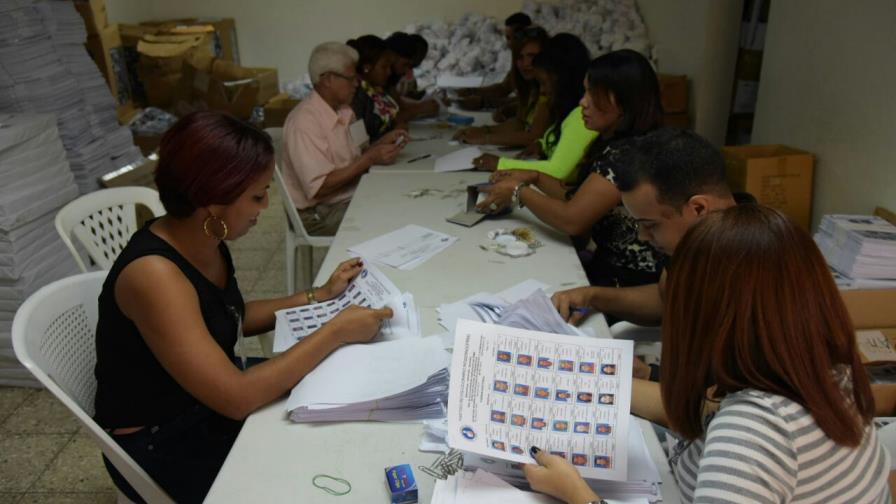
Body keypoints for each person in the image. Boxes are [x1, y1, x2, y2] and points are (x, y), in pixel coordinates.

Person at [93, 111, 394, 503]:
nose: (265, 206)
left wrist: (319, 295)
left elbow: (227, 316)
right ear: (211, 201)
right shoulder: (155, 276)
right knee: (315, 473)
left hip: (202, 401)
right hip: (162, 439)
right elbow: (236, 398)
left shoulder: (203, 239)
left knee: (345, 409)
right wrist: (335, 330)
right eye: (257, 195)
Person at [525, 205, 891, 503]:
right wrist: (582, 377)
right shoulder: (824, 370)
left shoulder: (753, 431)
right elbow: (695, 410)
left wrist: (577, 494)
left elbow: (733, 432)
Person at [478, 49, 665, 288]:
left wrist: (519, 190)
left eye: (591, 94)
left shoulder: (626, 155)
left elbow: (572, 219)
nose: (582, 103)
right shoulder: (623, 143)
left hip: (626, 280)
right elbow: (580, 197)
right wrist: (534, 177)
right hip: (612, 266)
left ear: (620, 100)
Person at [549, 128, 738, 329]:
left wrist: (643, 363)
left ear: (698, 208)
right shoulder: (693, 239)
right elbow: (665, 299)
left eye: (650, 225)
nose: (643, 236)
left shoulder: (750, 267)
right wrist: (592, 295)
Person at [282, 41, 407, 236]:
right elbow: (319, 188)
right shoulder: (304, 122)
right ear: (327, 79)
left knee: (404, 198)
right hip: (318, 213)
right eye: (350, 78)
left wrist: (381, 144)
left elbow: (358, 154)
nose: (357, 84)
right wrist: (369, 159)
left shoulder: (344, 111)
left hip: (346, 197)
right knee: (391, 218)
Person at [471, 33, 596, 183]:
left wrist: (501, 164)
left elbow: (558, 171)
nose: (542, 91)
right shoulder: (566, 111)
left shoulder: (581, 117)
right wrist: (541, 144)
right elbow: (559, 139)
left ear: (561, 79)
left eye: (544, 83)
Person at [453, 26, 550, 148]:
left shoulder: (549, 90)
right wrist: (484, 130)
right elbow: (520, 124)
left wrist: (485, 138)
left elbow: (534, 136)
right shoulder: (531, 87)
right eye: (520, 58)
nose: (525, 63)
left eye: (532, 56)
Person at [454, 12, 533, 116]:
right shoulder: (518, 57)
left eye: (513, 38)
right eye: (508, 38)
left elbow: (529, 102)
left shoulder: (537, 61)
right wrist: (471, 91)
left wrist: (484, 102)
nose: (509, 43)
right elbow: (504, 88)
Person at [347, 35, 406, 142]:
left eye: (390, 67)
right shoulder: (356, 94)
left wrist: (398, 125)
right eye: (384, 67)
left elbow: (393, 117)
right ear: (367, 68)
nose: (389, 72)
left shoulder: (375, 90)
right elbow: (359, 142)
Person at [384, 32, 441, 118]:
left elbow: (396, 103)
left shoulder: (393, 74)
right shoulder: (376, 80)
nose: (407, 71)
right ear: (392, 56)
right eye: (405, 64)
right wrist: (419, 108)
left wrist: (419, 106)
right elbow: (390, 117)